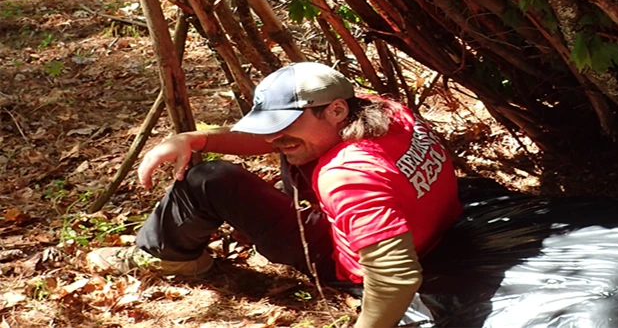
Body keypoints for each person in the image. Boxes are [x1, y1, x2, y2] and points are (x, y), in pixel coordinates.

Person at [87, 62, 462, 328]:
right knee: (288, 149)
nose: (273, 139)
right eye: (270, 125)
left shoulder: (347, 176)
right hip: (433, 225)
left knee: (208, 180)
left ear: (335, 110)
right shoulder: (384, 112)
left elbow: (395, 277)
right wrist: (195, 138)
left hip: (338, 259)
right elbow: (266, 139)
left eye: (285, 125)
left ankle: (167, 259)